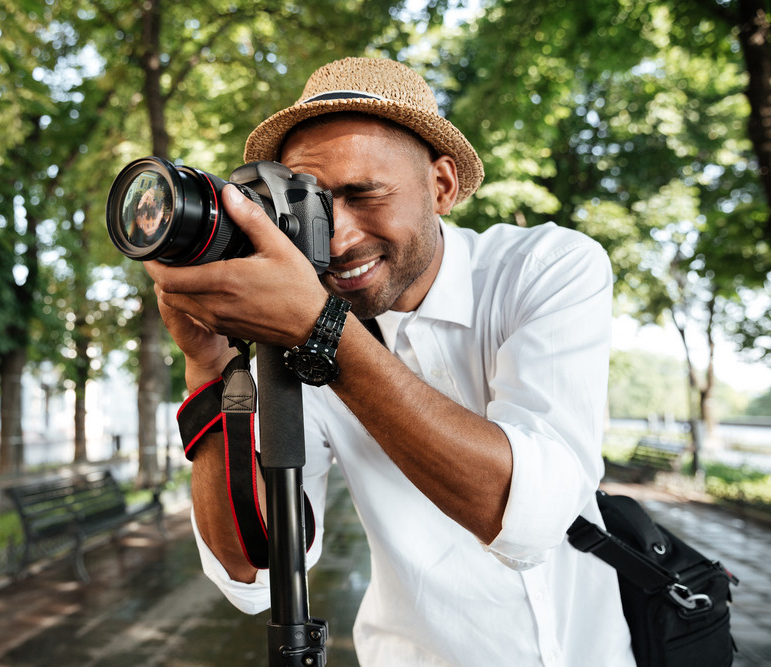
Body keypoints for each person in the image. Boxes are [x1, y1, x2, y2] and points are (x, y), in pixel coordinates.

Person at [146, 57, 635, 666]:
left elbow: (530, 518)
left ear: (443, 186)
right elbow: (252, 571)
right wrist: (208, 368)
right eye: (314, 206)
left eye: (363, 194)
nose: (339, 237)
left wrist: (323, 332)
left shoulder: (545, 268)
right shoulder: (288, 333)